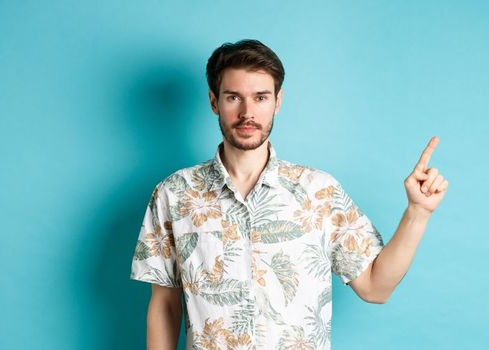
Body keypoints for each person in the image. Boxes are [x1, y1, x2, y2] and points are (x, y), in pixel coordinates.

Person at [130, 39, 449, 350]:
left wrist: (417, 214)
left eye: (260, 97)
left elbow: (376, 288)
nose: (247, 112)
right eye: (233, 98)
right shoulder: (174, 193)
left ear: (277, 101)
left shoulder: (319, 192)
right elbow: (164, 306)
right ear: (214, 101)